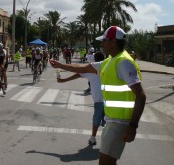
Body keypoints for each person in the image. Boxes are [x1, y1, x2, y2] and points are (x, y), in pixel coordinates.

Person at [49, 26, 146, 165]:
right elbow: (83, 69)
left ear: (113, 41)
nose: (102, 44)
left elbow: (141, 96)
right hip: (112, 119)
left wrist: (133, 126)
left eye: (104, 40)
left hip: (120, 122)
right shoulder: (110, 61)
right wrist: (60, 65)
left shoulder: (124, 62)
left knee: (105, 163)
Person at [57, 51, 106, 145]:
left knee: (96, 120)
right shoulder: (108, 68)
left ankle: (93, 138)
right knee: (107, 121)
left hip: (99, 100)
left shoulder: (91, 70)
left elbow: (79, 72)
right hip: (110, 99)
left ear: (95, 59)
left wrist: (63, 80)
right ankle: (107, 138)